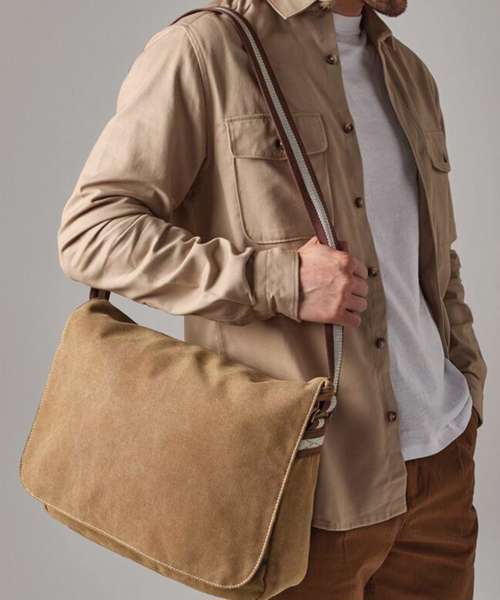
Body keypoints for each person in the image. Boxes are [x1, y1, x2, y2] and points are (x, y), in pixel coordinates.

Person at [57, 0, 487, 597]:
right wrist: (279, 280)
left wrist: (467, 383)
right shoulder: (206, 50)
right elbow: (92, 233)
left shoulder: (408, 72)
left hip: (442, 471)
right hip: (301, 491)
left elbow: (435, 263)